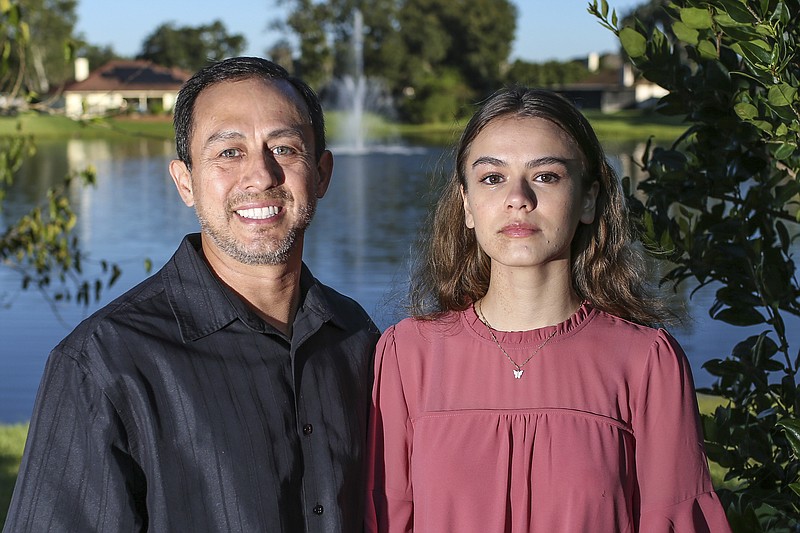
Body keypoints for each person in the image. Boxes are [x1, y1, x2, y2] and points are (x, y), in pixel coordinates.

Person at [4, 56, 379, 532]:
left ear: (322, 174)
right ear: (186, 183)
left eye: (284, 148)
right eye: (228, 152)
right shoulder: (103, 365)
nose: (261, 176)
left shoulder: (358, 338)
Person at [365, 86, 731, 532]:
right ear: (466, 204)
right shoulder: (408, 355)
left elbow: (675, 520)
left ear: (589, 199)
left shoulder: (646, 361)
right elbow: (386, 518)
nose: (518, 198)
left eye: (546, 176)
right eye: (492, 178)